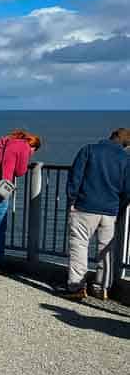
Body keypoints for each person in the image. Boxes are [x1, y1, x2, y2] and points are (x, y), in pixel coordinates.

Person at [57, 128, 130, 300]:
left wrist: (72, 200)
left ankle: (76, 287)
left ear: (110, 136)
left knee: (79, 246)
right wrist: (119, 207)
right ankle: (101, 288)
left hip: (84, 207)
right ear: (125, 145)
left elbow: (75, 177)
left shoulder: (89, 150)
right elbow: (128, 190)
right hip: (110, 211)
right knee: (106, 250)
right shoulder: (126, 159)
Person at [0, 129, 42, 271]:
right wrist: (26, 155)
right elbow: (20, 171)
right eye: (33, 151)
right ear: (32, 145)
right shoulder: (23, 146)